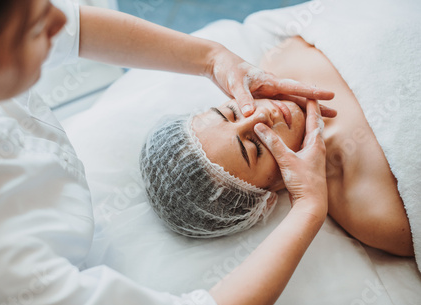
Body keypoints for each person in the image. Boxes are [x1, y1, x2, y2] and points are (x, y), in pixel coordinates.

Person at [0, 1, 335, 305]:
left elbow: (70, 29)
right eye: (33, 28)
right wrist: (309, 206)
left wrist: (212, 58)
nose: (61, 17)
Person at [140, 36, 415, 259]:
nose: (260, 116)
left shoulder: (281, 56)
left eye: (232, 113)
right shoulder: (377, 213)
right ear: (266, 198)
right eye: (255, 147)